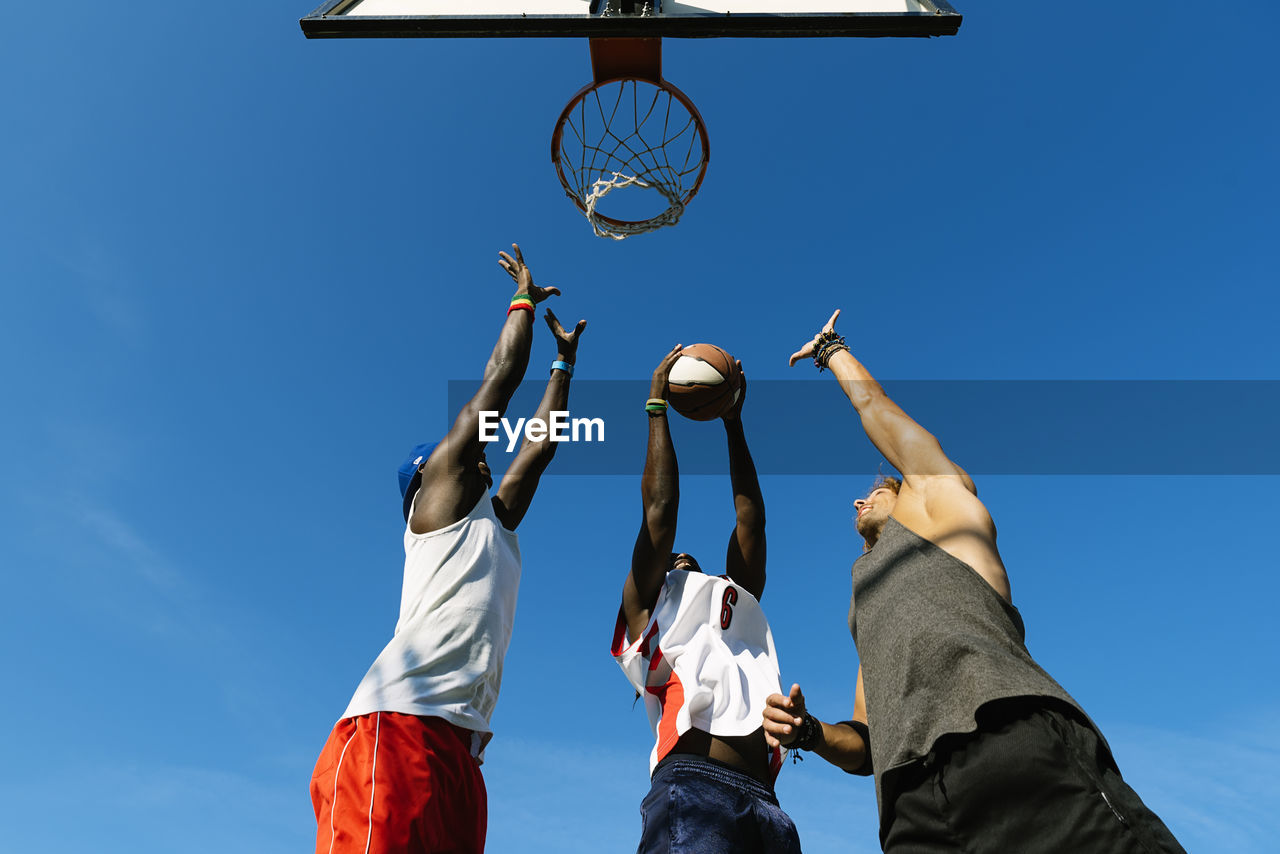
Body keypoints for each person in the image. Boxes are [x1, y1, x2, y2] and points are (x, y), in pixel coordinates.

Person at [762, 310, 1185, 854]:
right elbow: (866, 742)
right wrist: (810, 733)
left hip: (1009, 741)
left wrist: (830, 351)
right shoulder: (865, 600)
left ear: (908, 489)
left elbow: (874, 407)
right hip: (911, 808)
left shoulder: (943, 511)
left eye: (875, 489)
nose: (857, 499)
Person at [310, 244, 586, 854]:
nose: (484, 456)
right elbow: (499, 381)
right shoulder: (437, 508)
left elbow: (539, 448)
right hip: (396, 727)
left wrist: (564, 366)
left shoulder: (492, 522)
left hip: (460, 753)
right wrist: (520, 302)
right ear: (427, 481)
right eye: (470, 456)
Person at [612, 346, 803, 854]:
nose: (679, 555)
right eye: (668, 555)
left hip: (766, 799)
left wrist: (732, 422)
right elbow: (659, 511)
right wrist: (657, 410)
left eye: (683, 554)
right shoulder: (646, 608)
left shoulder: (734, 596)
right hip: (694, 786)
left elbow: (751, 520)